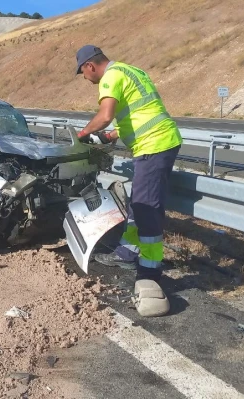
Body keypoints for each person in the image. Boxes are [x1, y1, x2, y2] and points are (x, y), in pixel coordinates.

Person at [75, 45, 183, 317]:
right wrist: (108, 137)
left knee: (147, 209)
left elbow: (106, 115)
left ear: (90, 66)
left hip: (154, 145)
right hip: (160, 141)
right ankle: (126, 252)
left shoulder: (110, 77)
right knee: (139, 202)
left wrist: (84, 133)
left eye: (83, 73)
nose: (86, 79)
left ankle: (150, 268)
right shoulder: (131, 70)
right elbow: (132, 117)